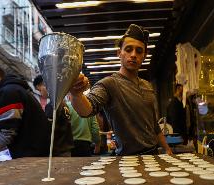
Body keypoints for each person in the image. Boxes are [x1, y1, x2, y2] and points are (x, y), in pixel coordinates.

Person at [69, 24, 172, 155]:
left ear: (144, 56)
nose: (133, 55)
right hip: (128, 159)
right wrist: (76, 94)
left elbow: (154, 125)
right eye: (128, 49)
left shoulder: (147, 86)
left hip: (154, 154)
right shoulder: (110, 84)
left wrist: (167, 149)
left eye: (139, 51)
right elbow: (88, 109)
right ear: (119, 53)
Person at [0, 63, 50, 162]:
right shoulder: (18, 89)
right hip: (38, 153)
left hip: (32, 157)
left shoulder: (7, 92)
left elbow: (5, 133)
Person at [33, 75, 74, 156]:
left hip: (58, 151)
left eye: (40, 90)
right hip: (66, 148)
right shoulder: (63, 103)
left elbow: (49, 130)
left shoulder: (52, 106)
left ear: (46, 85)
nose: (41, 93)